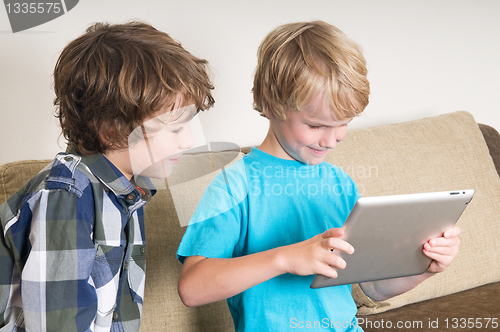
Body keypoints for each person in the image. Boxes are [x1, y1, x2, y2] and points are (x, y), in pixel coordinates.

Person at [176, 21, 460, 331]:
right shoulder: (235, 185)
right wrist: (284, 258)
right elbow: (192, 288)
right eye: (316, 125)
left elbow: (375, 288)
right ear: (272, 105)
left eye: (343, 123)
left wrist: (425, 268)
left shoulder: (340, 184)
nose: (332, 139)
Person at [0, 21, 214, 332]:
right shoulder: (66, 196)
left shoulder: (128, 192)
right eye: (175, 128)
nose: (189, 141)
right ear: (113, 130)